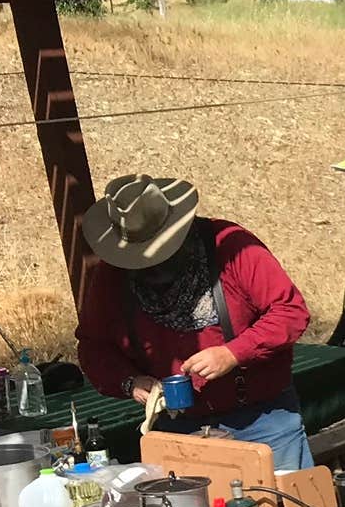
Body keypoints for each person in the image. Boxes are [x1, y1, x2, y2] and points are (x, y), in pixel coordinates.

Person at [77, 174, 315, 470]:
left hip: (261, 420)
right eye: (142, 261)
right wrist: (130, 382)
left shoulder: (231, 246)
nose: (152, 266)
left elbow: (289, 311)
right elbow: (94, 345)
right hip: (178, 429)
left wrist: (232, 353)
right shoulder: (114, 275)